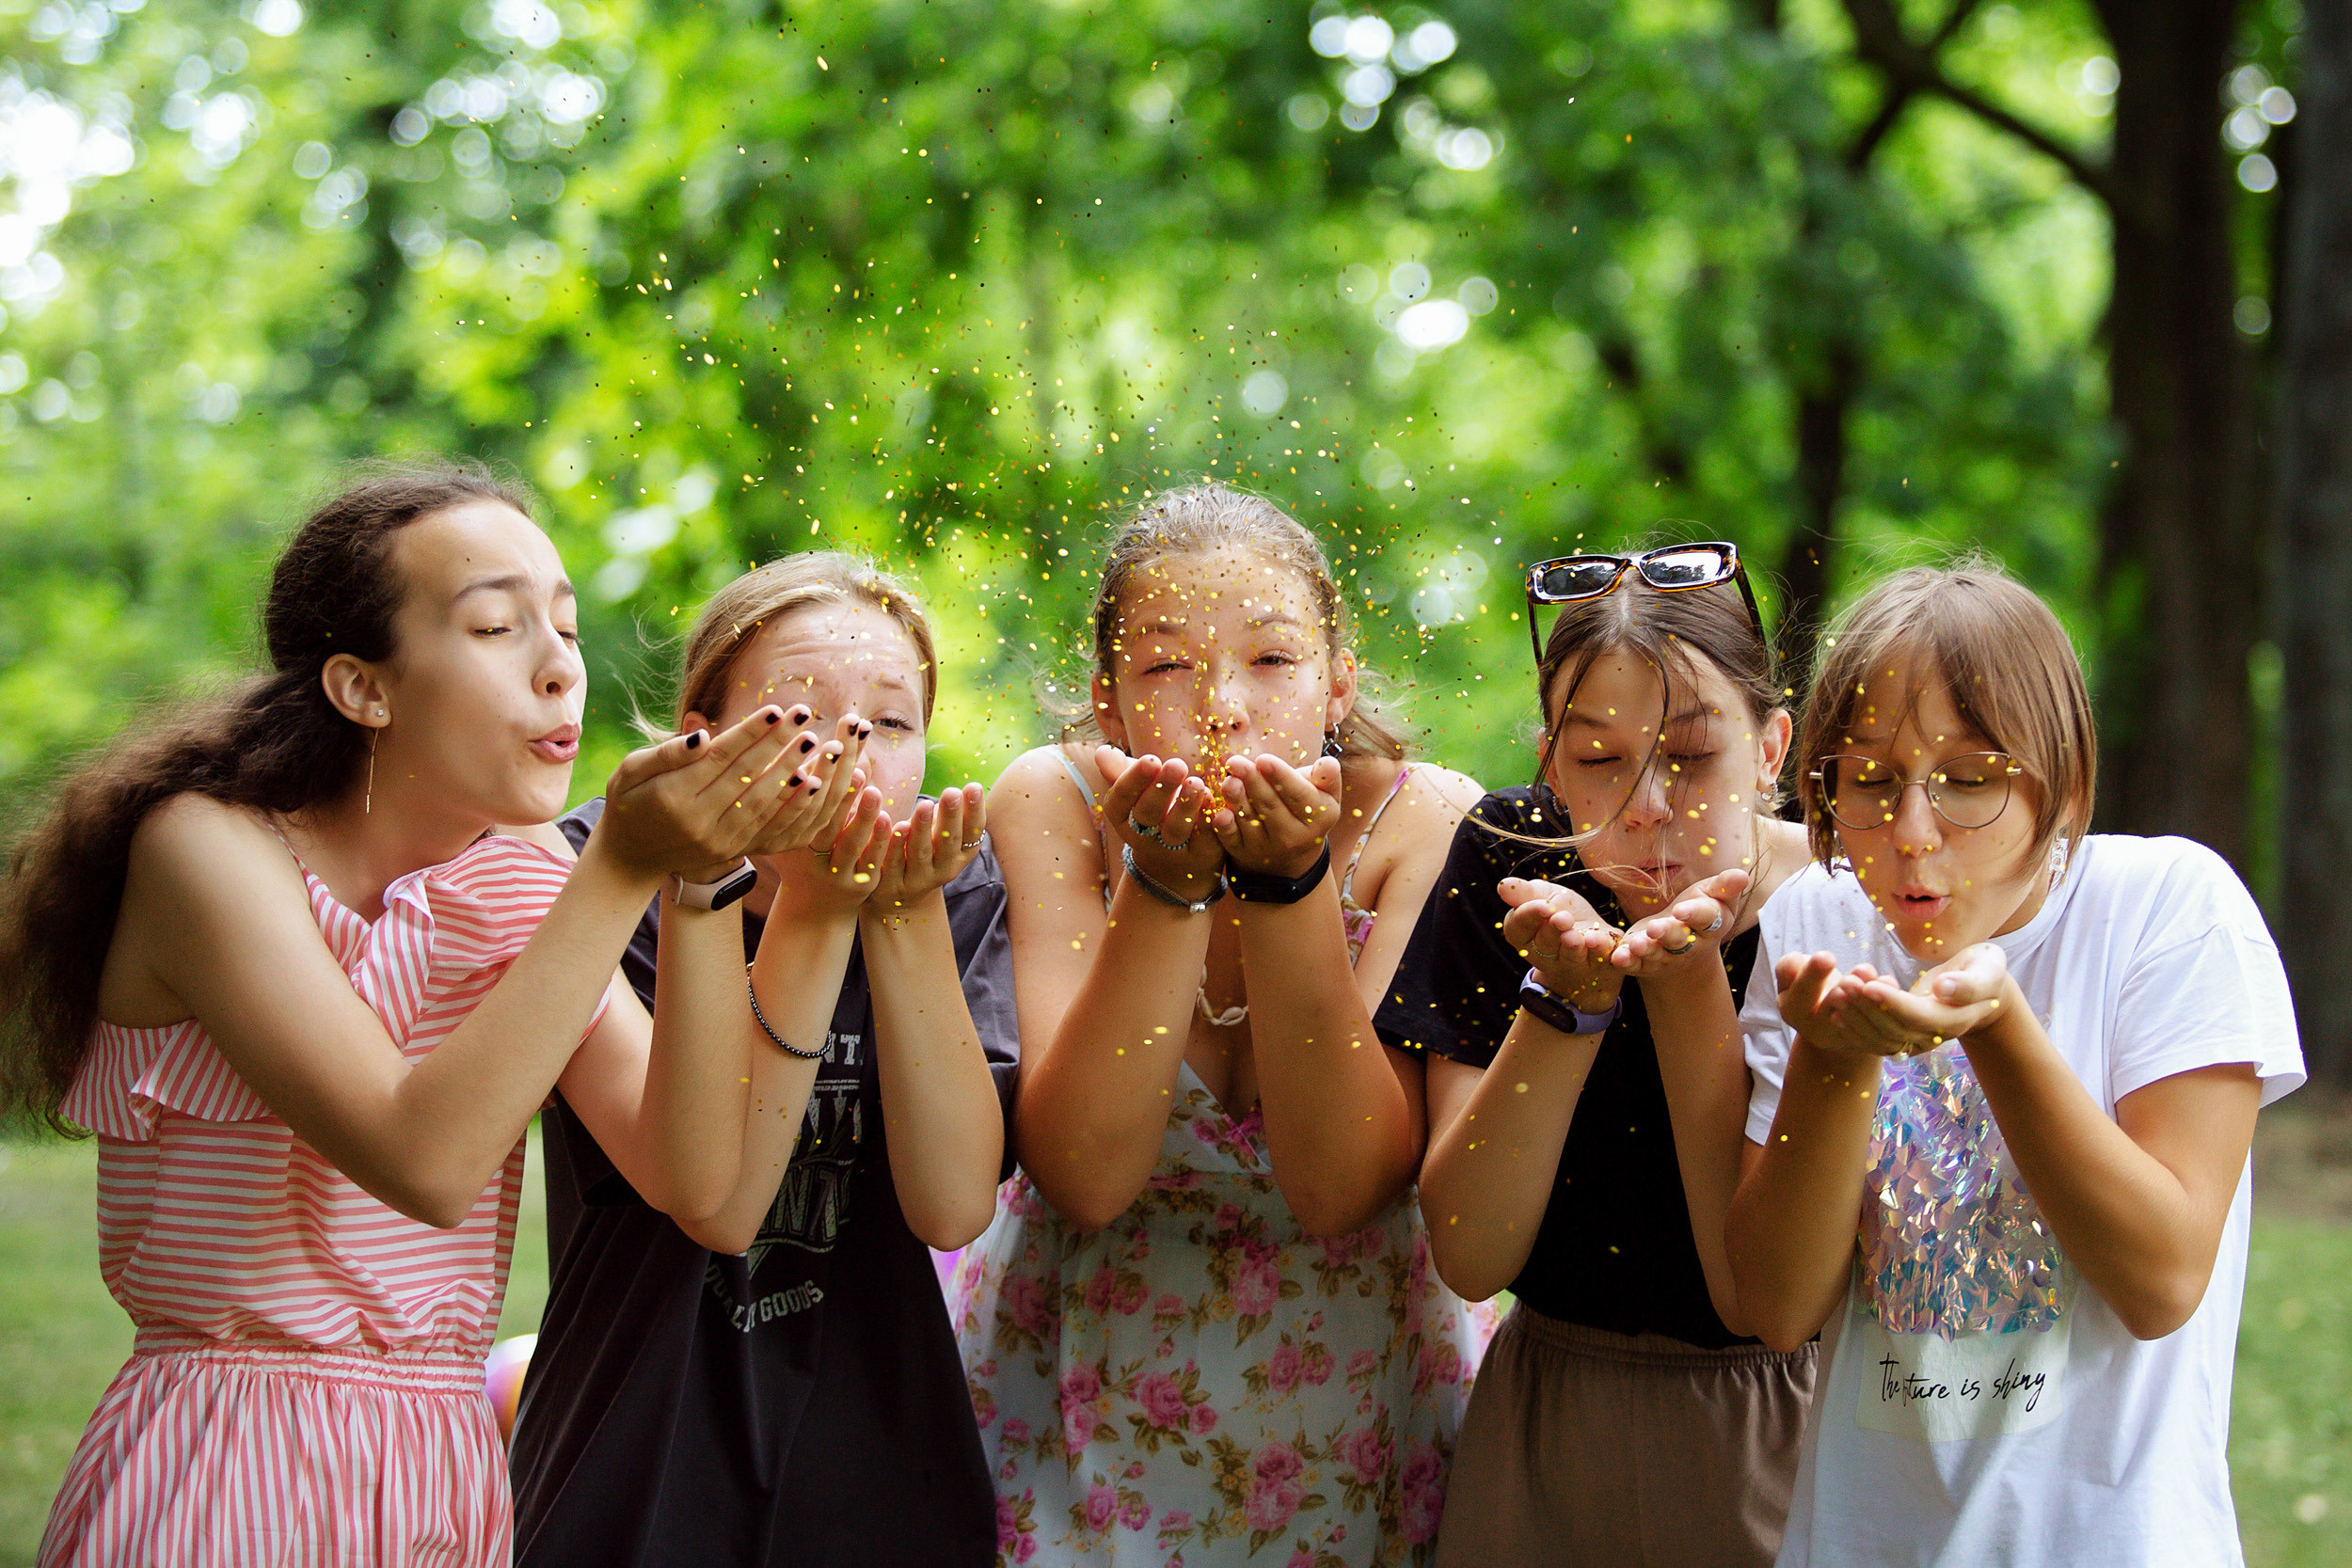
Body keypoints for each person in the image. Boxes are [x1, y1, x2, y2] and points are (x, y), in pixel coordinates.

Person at [0, 460, 828, 1566]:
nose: (558, 670)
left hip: (441, 1473)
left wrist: (693, 885)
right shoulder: (207, 851)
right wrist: (621, 865)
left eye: (568, 628)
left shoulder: (530, 876)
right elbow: (421, 1153)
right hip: (233, 1462)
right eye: (496, 627)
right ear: (362, 687)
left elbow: (703, 1187)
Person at [1726, 560, 2303, 1566]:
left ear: (2061, 783)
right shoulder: (1813, 921)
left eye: (1968, 777)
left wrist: (1996, 1024)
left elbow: (2162, 1278)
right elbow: (1777, 1307)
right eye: (1866, 780)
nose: (1910, 832)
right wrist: (1833, 1058)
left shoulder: (2170, 907)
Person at [954, 483, 1489, 1567]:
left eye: (1271, 660)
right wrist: (1162, 884)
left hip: (1358, 1392)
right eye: (1164, 667)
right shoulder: (1049, 801)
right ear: (1107, 703)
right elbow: (1085, 1173)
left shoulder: (1425, 818)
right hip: (1079, 1376)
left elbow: (1343, 1186)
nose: (1220, 707)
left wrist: (1290, 888)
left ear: (1338, 679)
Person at [508, 551, 1017, 1568]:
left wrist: (902, 912)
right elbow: (706, 1191)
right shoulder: (596, 873)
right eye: (797, 710)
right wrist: (815, 906)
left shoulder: (949, 888)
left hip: (882, 1464)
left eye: (892, 719)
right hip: (638, 1445)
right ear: (704, 733)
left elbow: (954, 1204)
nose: (847, 746)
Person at [1388, 541, 1818, 1566]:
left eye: (1691, 752)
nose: (1647, 803)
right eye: (1597, 759)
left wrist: (1684, 977)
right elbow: (1470, 1253)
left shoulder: (1839, 908)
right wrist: (1564, 1004)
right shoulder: (1508, 865)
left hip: (1788, 1428)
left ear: (1771, 748)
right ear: (1548, 761)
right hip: (1545, 1418)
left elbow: (1764, 1290)